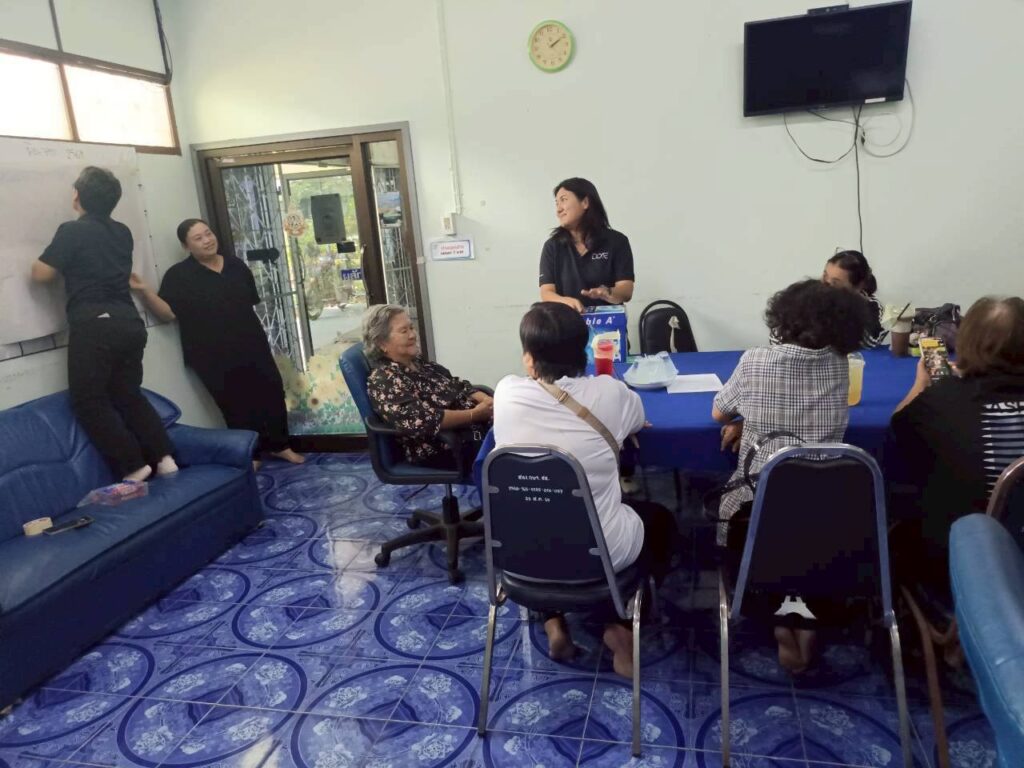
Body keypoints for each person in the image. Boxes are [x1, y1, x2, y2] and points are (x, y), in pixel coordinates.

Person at [494, 302, 676, 678]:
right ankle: (620, 623)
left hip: (520, 554)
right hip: (601, 553)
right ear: (585, 352)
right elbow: (639, 419)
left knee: (541, 509)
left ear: (529, 359)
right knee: (660, 521)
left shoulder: (506, 394)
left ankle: (553, 621)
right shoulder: (610, 393)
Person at [713, 279, 872, 673]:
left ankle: (774, 612)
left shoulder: (755, 360)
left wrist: (745, 419)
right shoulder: (839, 365)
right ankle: (804, 617)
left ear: (783, 318)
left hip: (753, 512)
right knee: (806, 540)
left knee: (762, 527)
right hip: (826, 515)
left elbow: (718, 412)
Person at [30, 167, 177, 482]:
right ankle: (164, 458)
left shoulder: (72, 231)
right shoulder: (122, 231)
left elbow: (41, 274)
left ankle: (133, 466)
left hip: (95, 324)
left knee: (88, 401)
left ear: (77, 197)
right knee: (128, 394)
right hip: (129, 321)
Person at [131, 219, 303, 464]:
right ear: (186, 246)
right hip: (211, 354)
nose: (207, 240)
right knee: (235, 403)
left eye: (208, 233)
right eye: (198, 238)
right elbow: (167, 314)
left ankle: (280, 445)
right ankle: (251, 454)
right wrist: (144, 291)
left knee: (272, 392)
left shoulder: (236, 265)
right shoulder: (179, 275)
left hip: (252, 345)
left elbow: (251, 302)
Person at [888, 296, 1024, 599]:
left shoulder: (942, 402)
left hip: (966, 569)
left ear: (967, 342)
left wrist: (922, 384)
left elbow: (898, 429)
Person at [363, 304, 493, 469]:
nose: (412, 335)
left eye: (411, 328)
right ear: (382, 343)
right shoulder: (384, 381)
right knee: (510, 456)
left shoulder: (418, 363)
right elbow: (425, 420)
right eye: (404, 331)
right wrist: (475, 415)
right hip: (445, 448)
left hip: (475, 429)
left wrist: (487, 400)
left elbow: (457, 384)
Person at [539, 178, 634, 312]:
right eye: (557, 203)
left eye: (564, 200)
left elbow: (626, 290)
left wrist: (607, 293)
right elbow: (546, 292)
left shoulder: (617, 241)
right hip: (566, 320)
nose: (558, 210)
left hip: (606, 320)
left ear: (585, 202)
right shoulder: (552, 246)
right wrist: (566, 302)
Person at [822, 249, 887, 347]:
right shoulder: (812, 299)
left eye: (835, 283)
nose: (827, 284)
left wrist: (852, 311)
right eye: (825, 276)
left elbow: (873, 344)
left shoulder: (871, 306)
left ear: (858, 286)